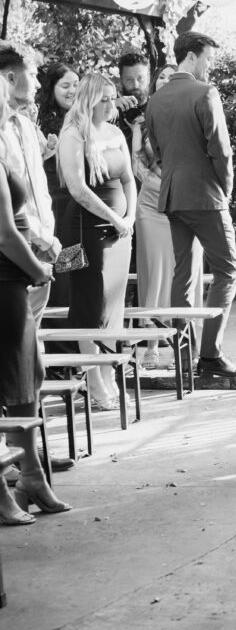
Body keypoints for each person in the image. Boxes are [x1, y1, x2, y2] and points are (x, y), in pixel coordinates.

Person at [146, 31, 236, 378]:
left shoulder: (156, 100)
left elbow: (158, 152)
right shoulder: (205, 92)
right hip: (206, 196)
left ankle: (182, 359)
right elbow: (220, 150)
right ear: (191, 56)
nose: (210, 65)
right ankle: (210, 355)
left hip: (173, 195)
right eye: (207, 58)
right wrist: (226, 190)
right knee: (228, 271)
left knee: (184, 275)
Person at [0, 77, 71, 524]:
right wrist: (37, 267)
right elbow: (5, 234)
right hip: (7, 276)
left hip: (15, 277)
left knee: (32, 373)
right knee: (10, 381)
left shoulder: (16, 133)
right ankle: (8, 486)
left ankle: (30, 473)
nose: (7, 99)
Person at [57, 72, 137, 409]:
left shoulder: (117, 132)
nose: (109, 104)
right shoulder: (74, 133)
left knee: (114, 306)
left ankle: (108, 373)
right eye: (102, 98)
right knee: (89, 306)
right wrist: (114, 217)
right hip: (84, 232)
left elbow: (130, 179)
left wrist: (130, 217)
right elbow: (77, 188)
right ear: (89, 99)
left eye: (111, 97)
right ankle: (92, 378)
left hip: (120, 234)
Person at [131, 63, 203, 368]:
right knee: (155, 273)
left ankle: (189, 345)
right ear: (155, 83)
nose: (166, 80)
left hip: (187, 200)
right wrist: (156, 182)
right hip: (152, 202)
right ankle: (151, 343)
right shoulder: (142, 121)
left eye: (171, 76)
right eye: (161, 76)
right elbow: (136, 161)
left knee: (188, 273)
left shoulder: (194, 113)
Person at [0, 43, 62, 327]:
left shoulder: (26, 126)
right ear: (10, 78)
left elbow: (38, 186)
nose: (38, 83)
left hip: (43, 244)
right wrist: (40, 237)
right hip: (14, 247)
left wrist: (48, 233)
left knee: (32, 340)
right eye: (34, 74)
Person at [36, 61, 80, 306]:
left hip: (72, 202)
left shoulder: (73, 117)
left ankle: (69, 330)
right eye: (65, 85)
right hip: (58, 203)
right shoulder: (50, 121)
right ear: (51, 88)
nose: (72, 90)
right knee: (62, 265)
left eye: (75, 84)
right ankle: (62, 333)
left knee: (71, 266)